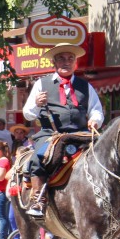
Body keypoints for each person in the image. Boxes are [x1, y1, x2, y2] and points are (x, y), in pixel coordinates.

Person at [21, 42, 104, 218]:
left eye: (70, 59)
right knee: (39, 158)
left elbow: (96, 109)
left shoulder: (85, 86)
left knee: (106, 155)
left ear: (75, 63)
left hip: (81, 134)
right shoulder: (41, 84)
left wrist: (95, 120)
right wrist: (37, 104)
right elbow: (27, 114)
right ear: (54, 63)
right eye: (61, 58)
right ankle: (38, 199)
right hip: (51, 135)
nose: (66, 62)